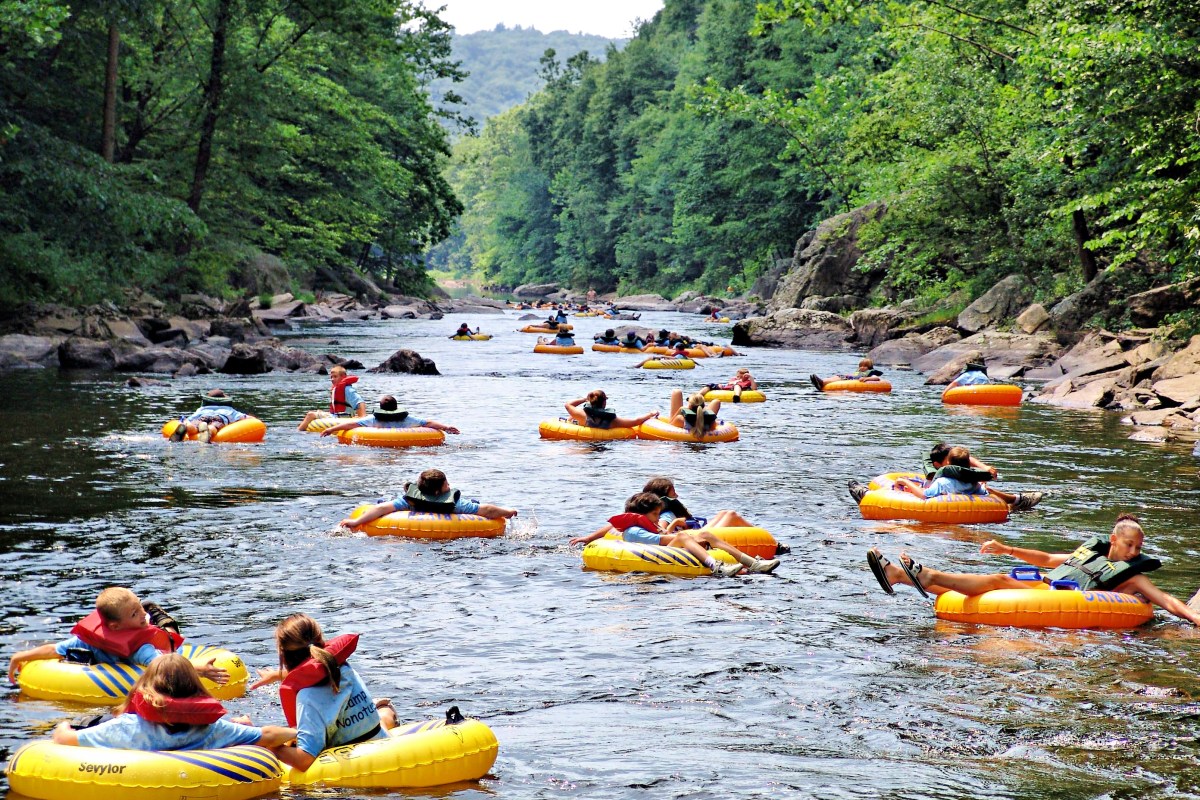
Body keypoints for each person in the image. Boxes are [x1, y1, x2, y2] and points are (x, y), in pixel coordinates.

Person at [866, 514, 1200, 625]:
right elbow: (1045, 560)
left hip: (1068, 601)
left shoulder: (1134, 576)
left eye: (1138, 549)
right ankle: (897, 575)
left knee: (998, 580)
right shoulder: (1089, 555)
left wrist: (1195, 618)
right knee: (1001, 576)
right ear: (1114, 539)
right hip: (1047, 589)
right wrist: (1007, 548)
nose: (1134, 552)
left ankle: (927, 576)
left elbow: (1166, 600)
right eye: (1130, 546)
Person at [50, 653, 295, 751]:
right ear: (194, 690)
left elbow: (65, 739)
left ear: (147, 688)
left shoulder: (127, 727)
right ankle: (242, 722)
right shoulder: (211, 729)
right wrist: (297, 732)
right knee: (241, 727)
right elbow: (270, 735)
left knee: (89, 721)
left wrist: (63, 725)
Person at [251, 615, 399, 770]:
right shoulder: (344, 668)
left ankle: (384, 710)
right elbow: (314, 668)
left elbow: (304, 760)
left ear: (283, 654)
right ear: (320, 640)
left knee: (283, 736)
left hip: (358, 766)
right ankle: (385, 709)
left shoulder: (307, 696)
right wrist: (277, 675)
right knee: (380, 717)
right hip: (380, 740)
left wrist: (268, 745)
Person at [8, 587, 228, 686]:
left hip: (163, 644)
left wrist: (200, 670)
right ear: (113, 626)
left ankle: (163, 619)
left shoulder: (140, 647)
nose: (142, 614)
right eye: (135, 613)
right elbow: (55, 649)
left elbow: (163, 662)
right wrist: (21, 656)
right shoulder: (90, 639)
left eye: (140, 608)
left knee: (169, 637)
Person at [569, 492, 779, 576]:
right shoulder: (634, 531)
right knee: (683, 537)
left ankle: (752, 563)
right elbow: (665, 540)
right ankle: (716, 567)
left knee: (706, 534)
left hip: (664, 549)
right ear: (640, 514)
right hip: (656, 553)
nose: (656, 518)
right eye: (654, 514)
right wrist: (685, 533)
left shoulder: (643, 525)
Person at [847, 442, 1043, 510]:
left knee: (899, 491)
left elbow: (924, 495)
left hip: (933, 504)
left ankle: (866, 496)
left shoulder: (943, 481)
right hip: (963, 501)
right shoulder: (972, 482)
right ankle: (1019, 500)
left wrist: (903, 481)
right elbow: (984, 488)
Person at [340, 469, 517, 527]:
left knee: (382, 502)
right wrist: (508, 512)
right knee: (475, 503)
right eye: (447, 485)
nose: (449, 487)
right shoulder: (455, 504)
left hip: (410, 521)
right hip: (452, 524)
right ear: (440, 492)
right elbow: (487, 510)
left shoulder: (409, 501)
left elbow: (381, 509)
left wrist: (356, 522)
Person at [318, 395, 460, 437]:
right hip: (405, 444)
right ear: (397, 408)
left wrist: (331, 429)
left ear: (380, 409)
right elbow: (428, 423)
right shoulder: (405, 419)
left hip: (378, 445)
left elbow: (351, 424)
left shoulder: (373, 419)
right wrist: (446, 427)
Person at [297, 366, 367, 431]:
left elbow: (360, 401)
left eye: (335, 377)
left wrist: (362, 417)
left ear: (343, 376)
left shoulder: (348, 390)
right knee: (319, 412)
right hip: (338, 416)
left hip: (343, 418)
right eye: (331, 377)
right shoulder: (337, 389)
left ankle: (298, 432)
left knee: (310, 414)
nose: (332, 379)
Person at [168, 389, 249, 442]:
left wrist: (185, 421)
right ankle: (208, 431)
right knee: (213, 427)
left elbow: (191, 418)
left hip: (203, 417)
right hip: (219, 418)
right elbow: (244, 418)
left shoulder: (202, 409)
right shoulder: (229, 410)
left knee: (195, 425)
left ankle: (187, 428)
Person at [564, 390, 657, 430]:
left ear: (591, 401)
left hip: (586, 442)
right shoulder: (613, 420)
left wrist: (584, 399)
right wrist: (651, 413)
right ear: (604, 403)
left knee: (571, 418)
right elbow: (636, 421)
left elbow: (568, 404)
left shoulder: (582, 414)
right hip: (604, 444)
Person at [810, 358, 884, 390]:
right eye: (860, 366)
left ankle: (822, 383)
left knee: (839, 379)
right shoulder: (859, 372)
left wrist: (866, 378)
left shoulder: (871, 372)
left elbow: (876, 378)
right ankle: (820, 381)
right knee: (837, 376)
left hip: (853, 379)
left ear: (869, 367)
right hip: (850, 377)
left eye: (865, 366)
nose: (862, 368)